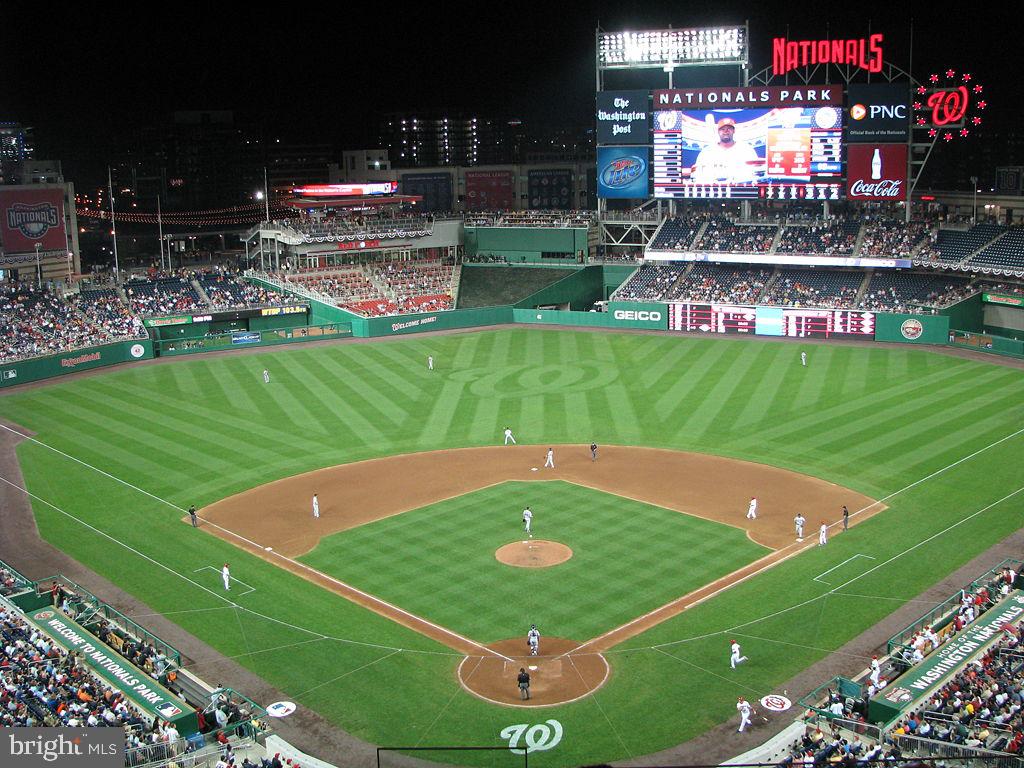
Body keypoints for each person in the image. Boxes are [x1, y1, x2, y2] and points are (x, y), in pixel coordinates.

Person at [691, 118, 762, 184]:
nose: (726, 131)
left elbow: (756, 175)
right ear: (718, 132)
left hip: (740, 191)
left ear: (734, 131)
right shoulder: (706, 152)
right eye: (723, 129)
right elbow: (697, 176)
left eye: (729, 129)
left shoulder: (747, 149)